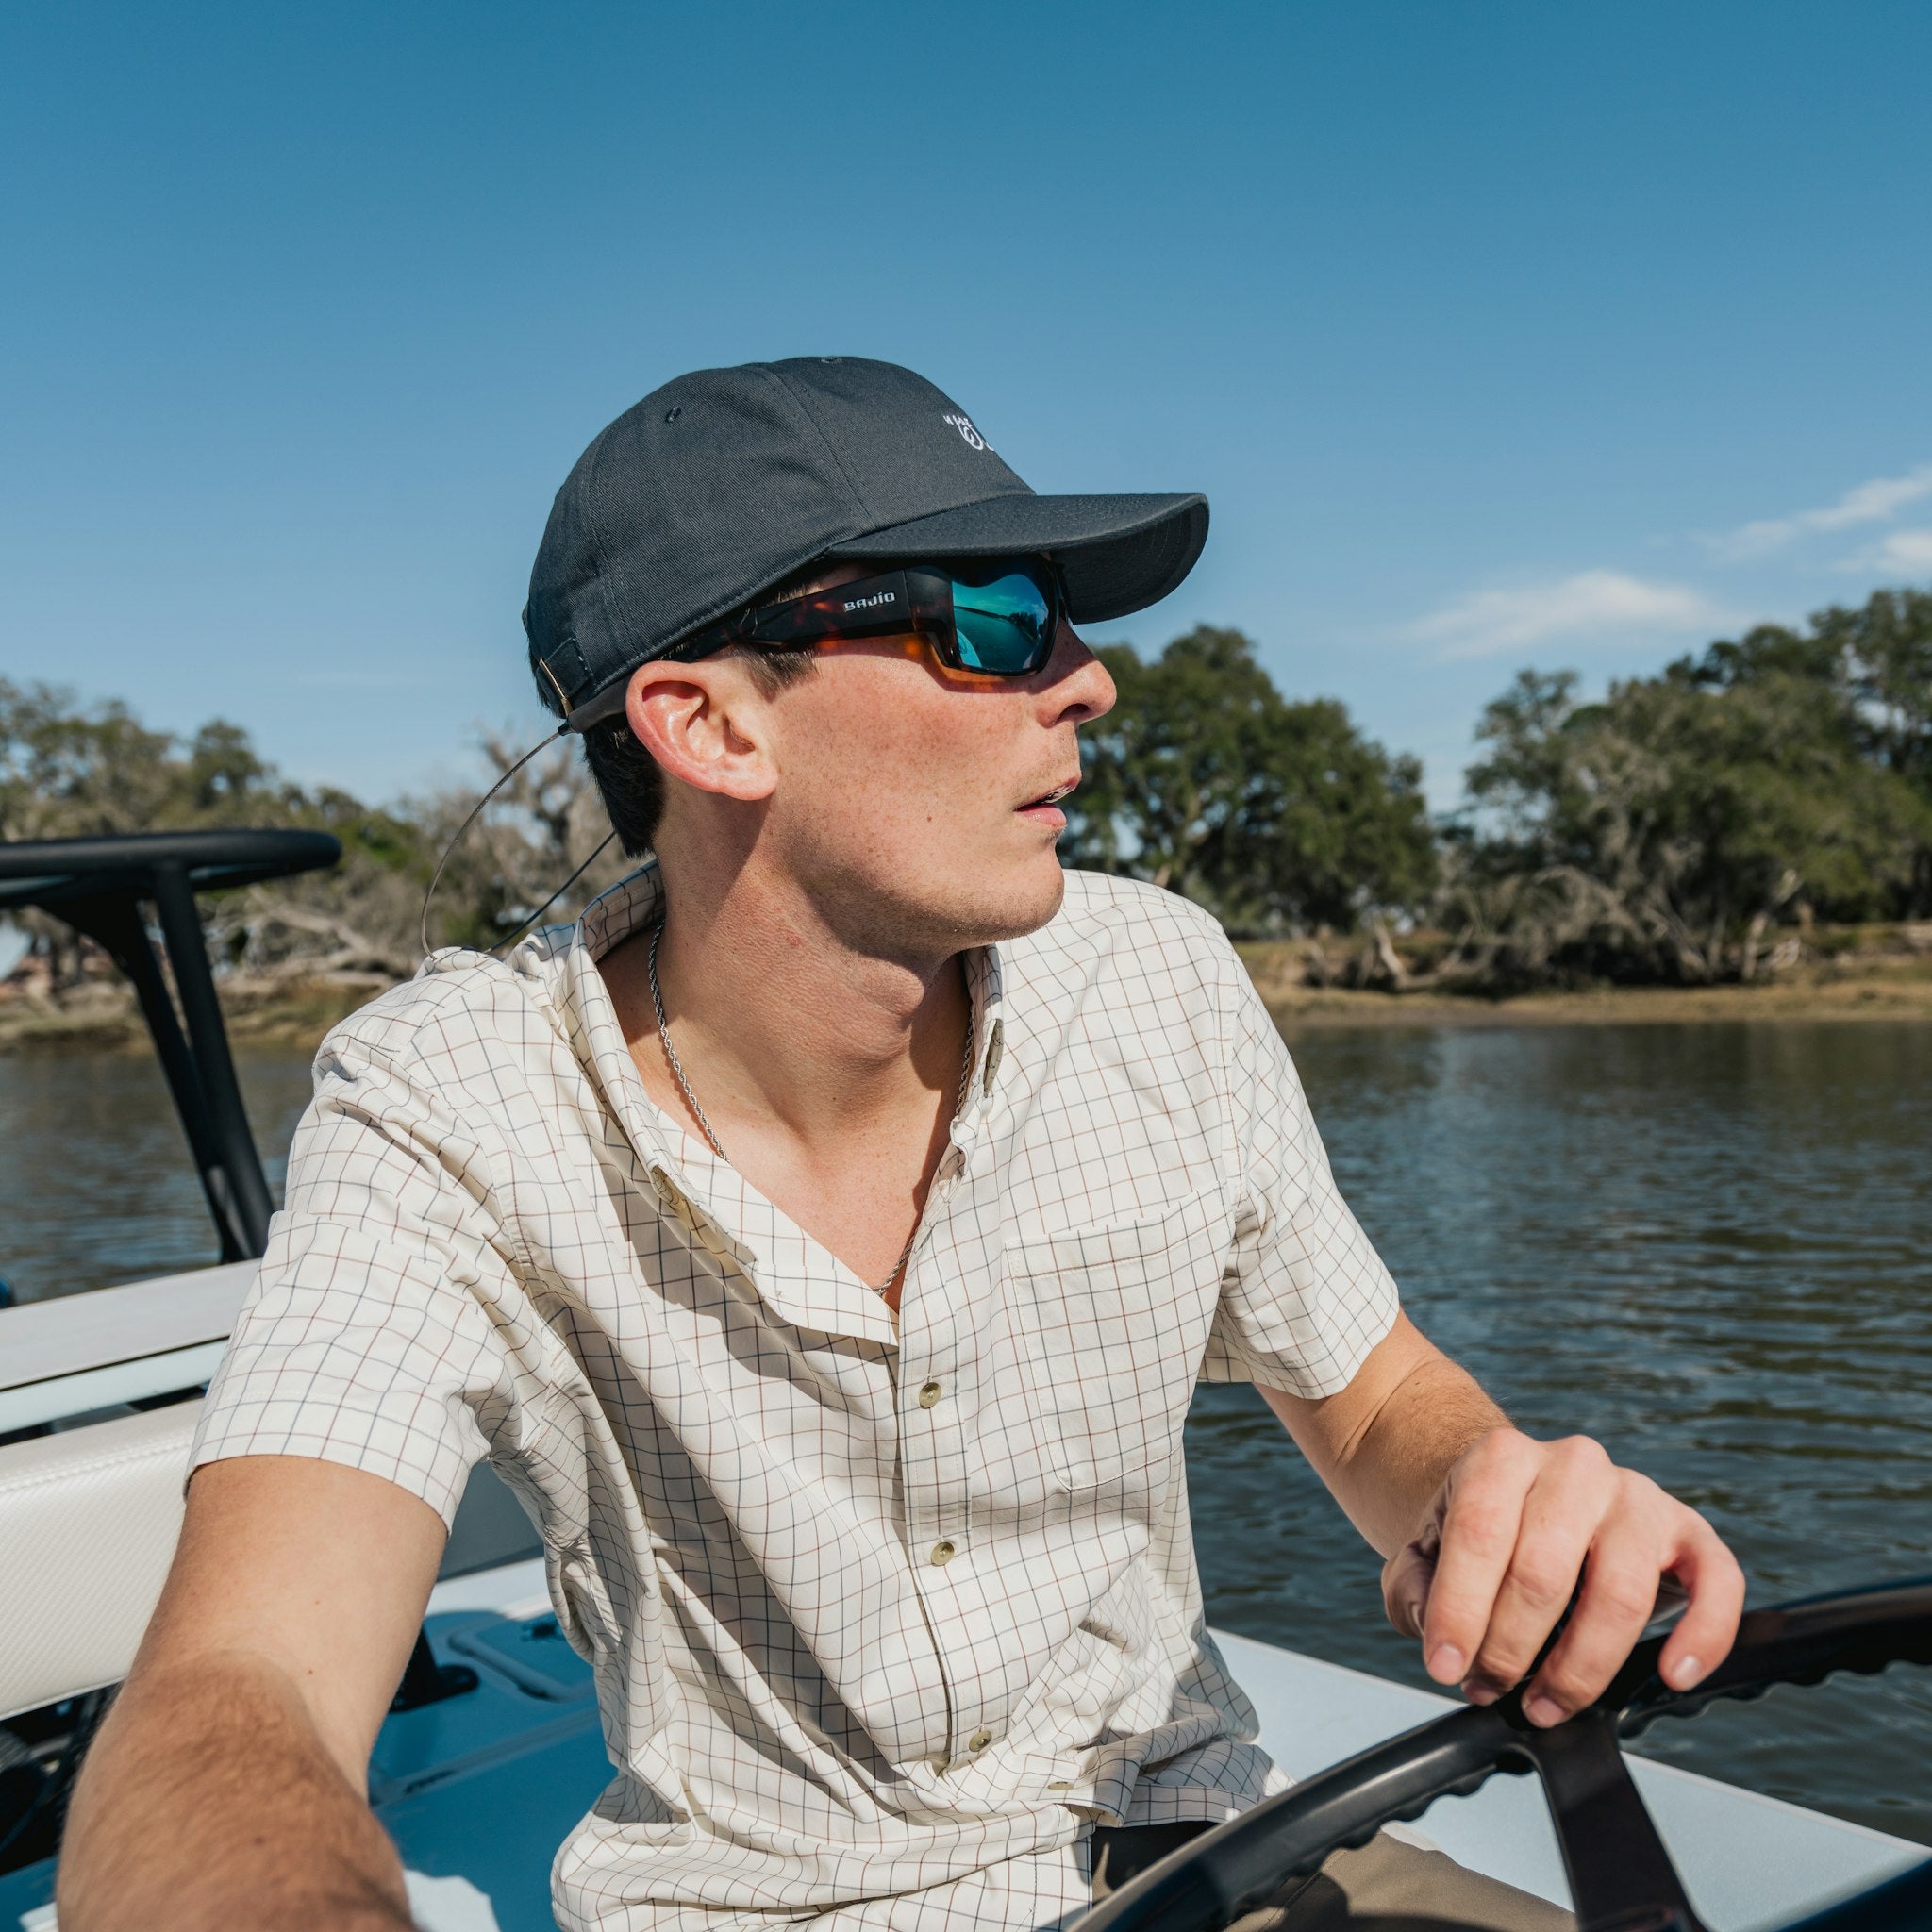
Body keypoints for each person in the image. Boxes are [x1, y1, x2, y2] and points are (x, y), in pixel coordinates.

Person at [60, 358, 1744, 1932]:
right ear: (711, 726)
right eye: (994, 623)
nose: (1089, 678)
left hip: (1214, 1854)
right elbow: (242, 1687)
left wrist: (1490, 1501)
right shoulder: (445, 1106)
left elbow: (1369, 1396)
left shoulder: (1155, 978)